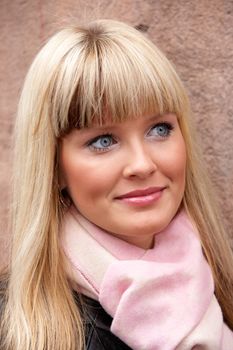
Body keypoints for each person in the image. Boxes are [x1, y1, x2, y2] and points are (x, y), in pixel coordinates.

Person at [0, 19, 233, 350]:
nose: (142, 164)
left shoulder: (216, 281)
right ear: (54, 167)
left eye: (160, 129)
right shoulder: (19, 331)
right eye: (103, 140)